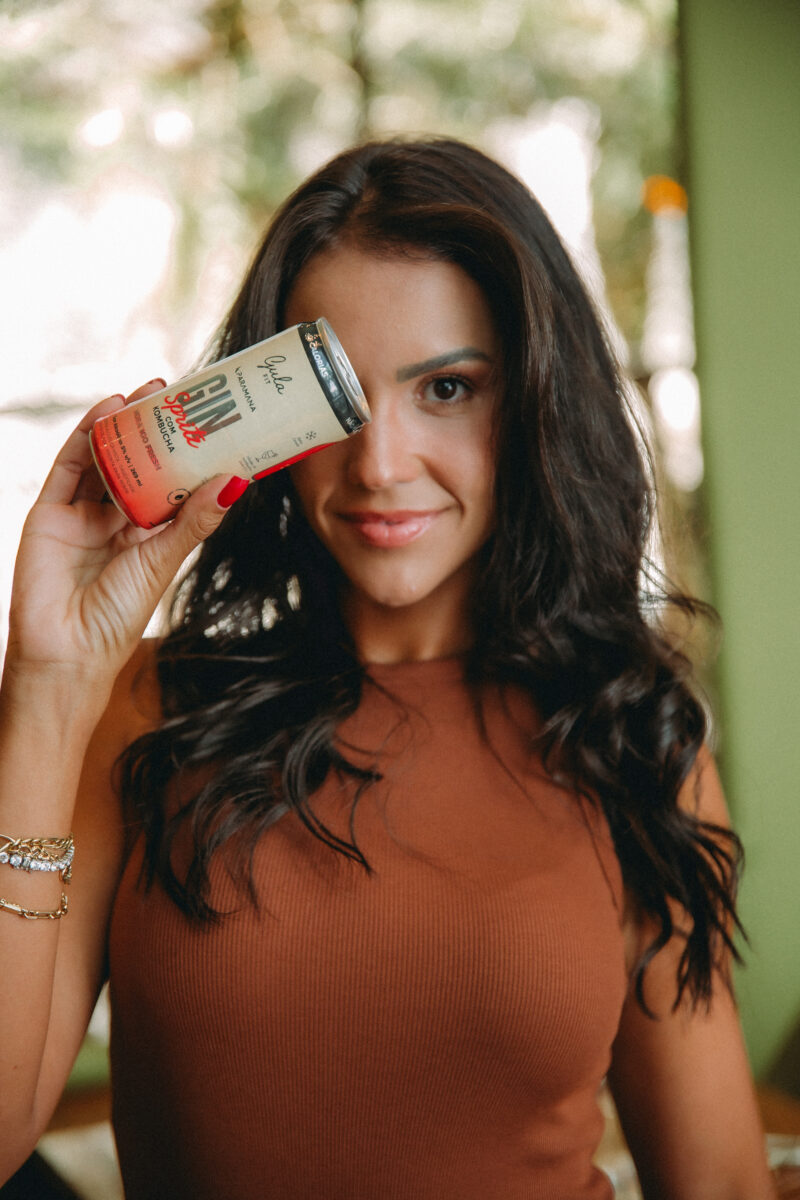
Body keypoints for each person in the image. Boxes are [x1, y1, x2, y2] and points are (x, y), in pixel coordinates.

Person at [0, 138, 777, 1198]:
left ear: (535, 401)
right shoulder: (139, 712)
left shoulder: (630, 738)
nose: (379, 464)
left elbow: (719, 1184)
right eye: (335, 401)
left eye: (447, 388)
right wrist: (46, 689)